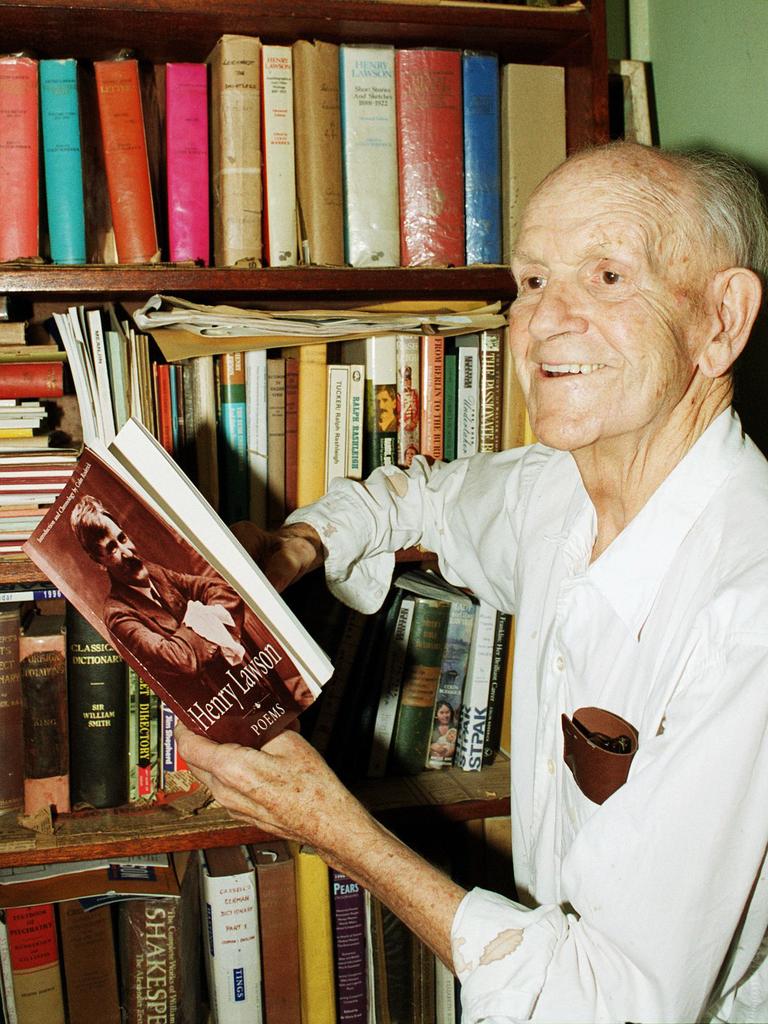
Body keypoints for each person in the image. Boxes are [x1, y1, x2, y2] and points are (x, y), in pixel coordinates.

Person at [175, 141, 768, 1023]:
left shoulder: (749, 609)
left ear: (721, 320)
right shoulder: (555, 489)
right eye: (530, 281)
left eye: (607, 276)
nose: (547, 320)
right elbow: (418, 498)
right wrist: (300, 544)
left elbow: (612, 1005)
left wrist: (338, 832)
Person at [69, 494, 314, 714]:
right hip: (227, 712)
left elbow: (218, 589)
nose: (128, 552)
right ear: (98, 561)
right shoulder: (117, 615)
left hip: (256, 682)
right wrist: (200, 616)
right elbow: (182, 660)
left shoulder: (153, 572)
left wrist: (200, 616)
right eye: (112, 549)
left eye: (122, 538)